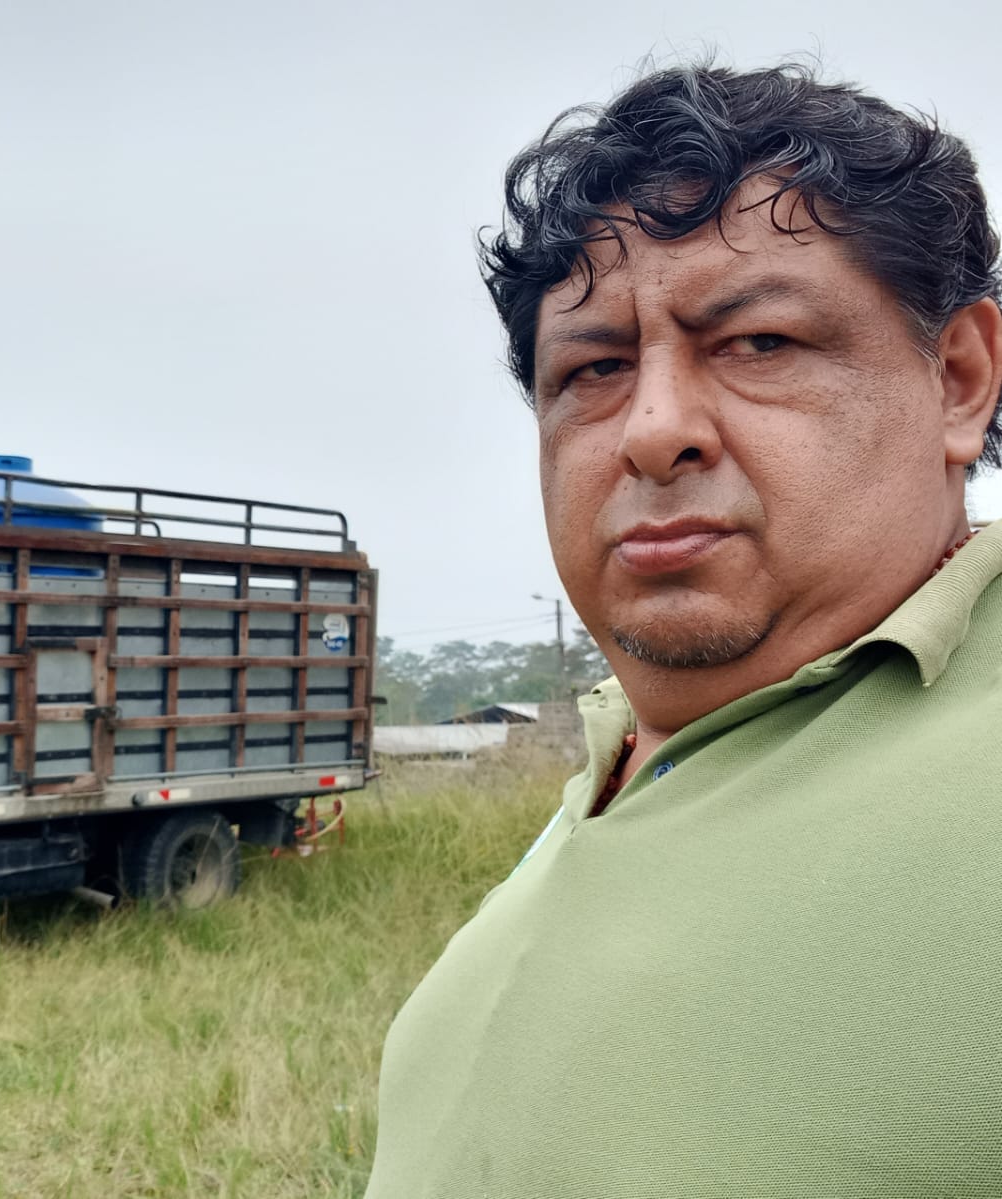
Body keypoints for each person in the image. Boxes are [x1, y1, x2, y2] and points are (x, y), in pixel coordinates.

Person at [364, 63, 1002, 1197]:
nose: (652, 430)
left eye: (757, 342)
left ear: (957, 379)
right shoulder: (614, 764)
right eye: (595, 368)